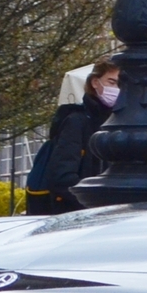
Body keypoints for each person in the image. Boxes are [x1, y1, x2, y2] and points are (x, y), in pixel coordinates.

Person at [27, 59, 119, 214]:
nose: (117, 89)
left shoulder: (117, 122)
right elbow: (62, 176)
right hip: (79, 214)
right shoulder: (76, 121)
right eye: (111, 82)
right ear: (95, 82)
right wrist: (93, 205)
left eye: (122, 84)